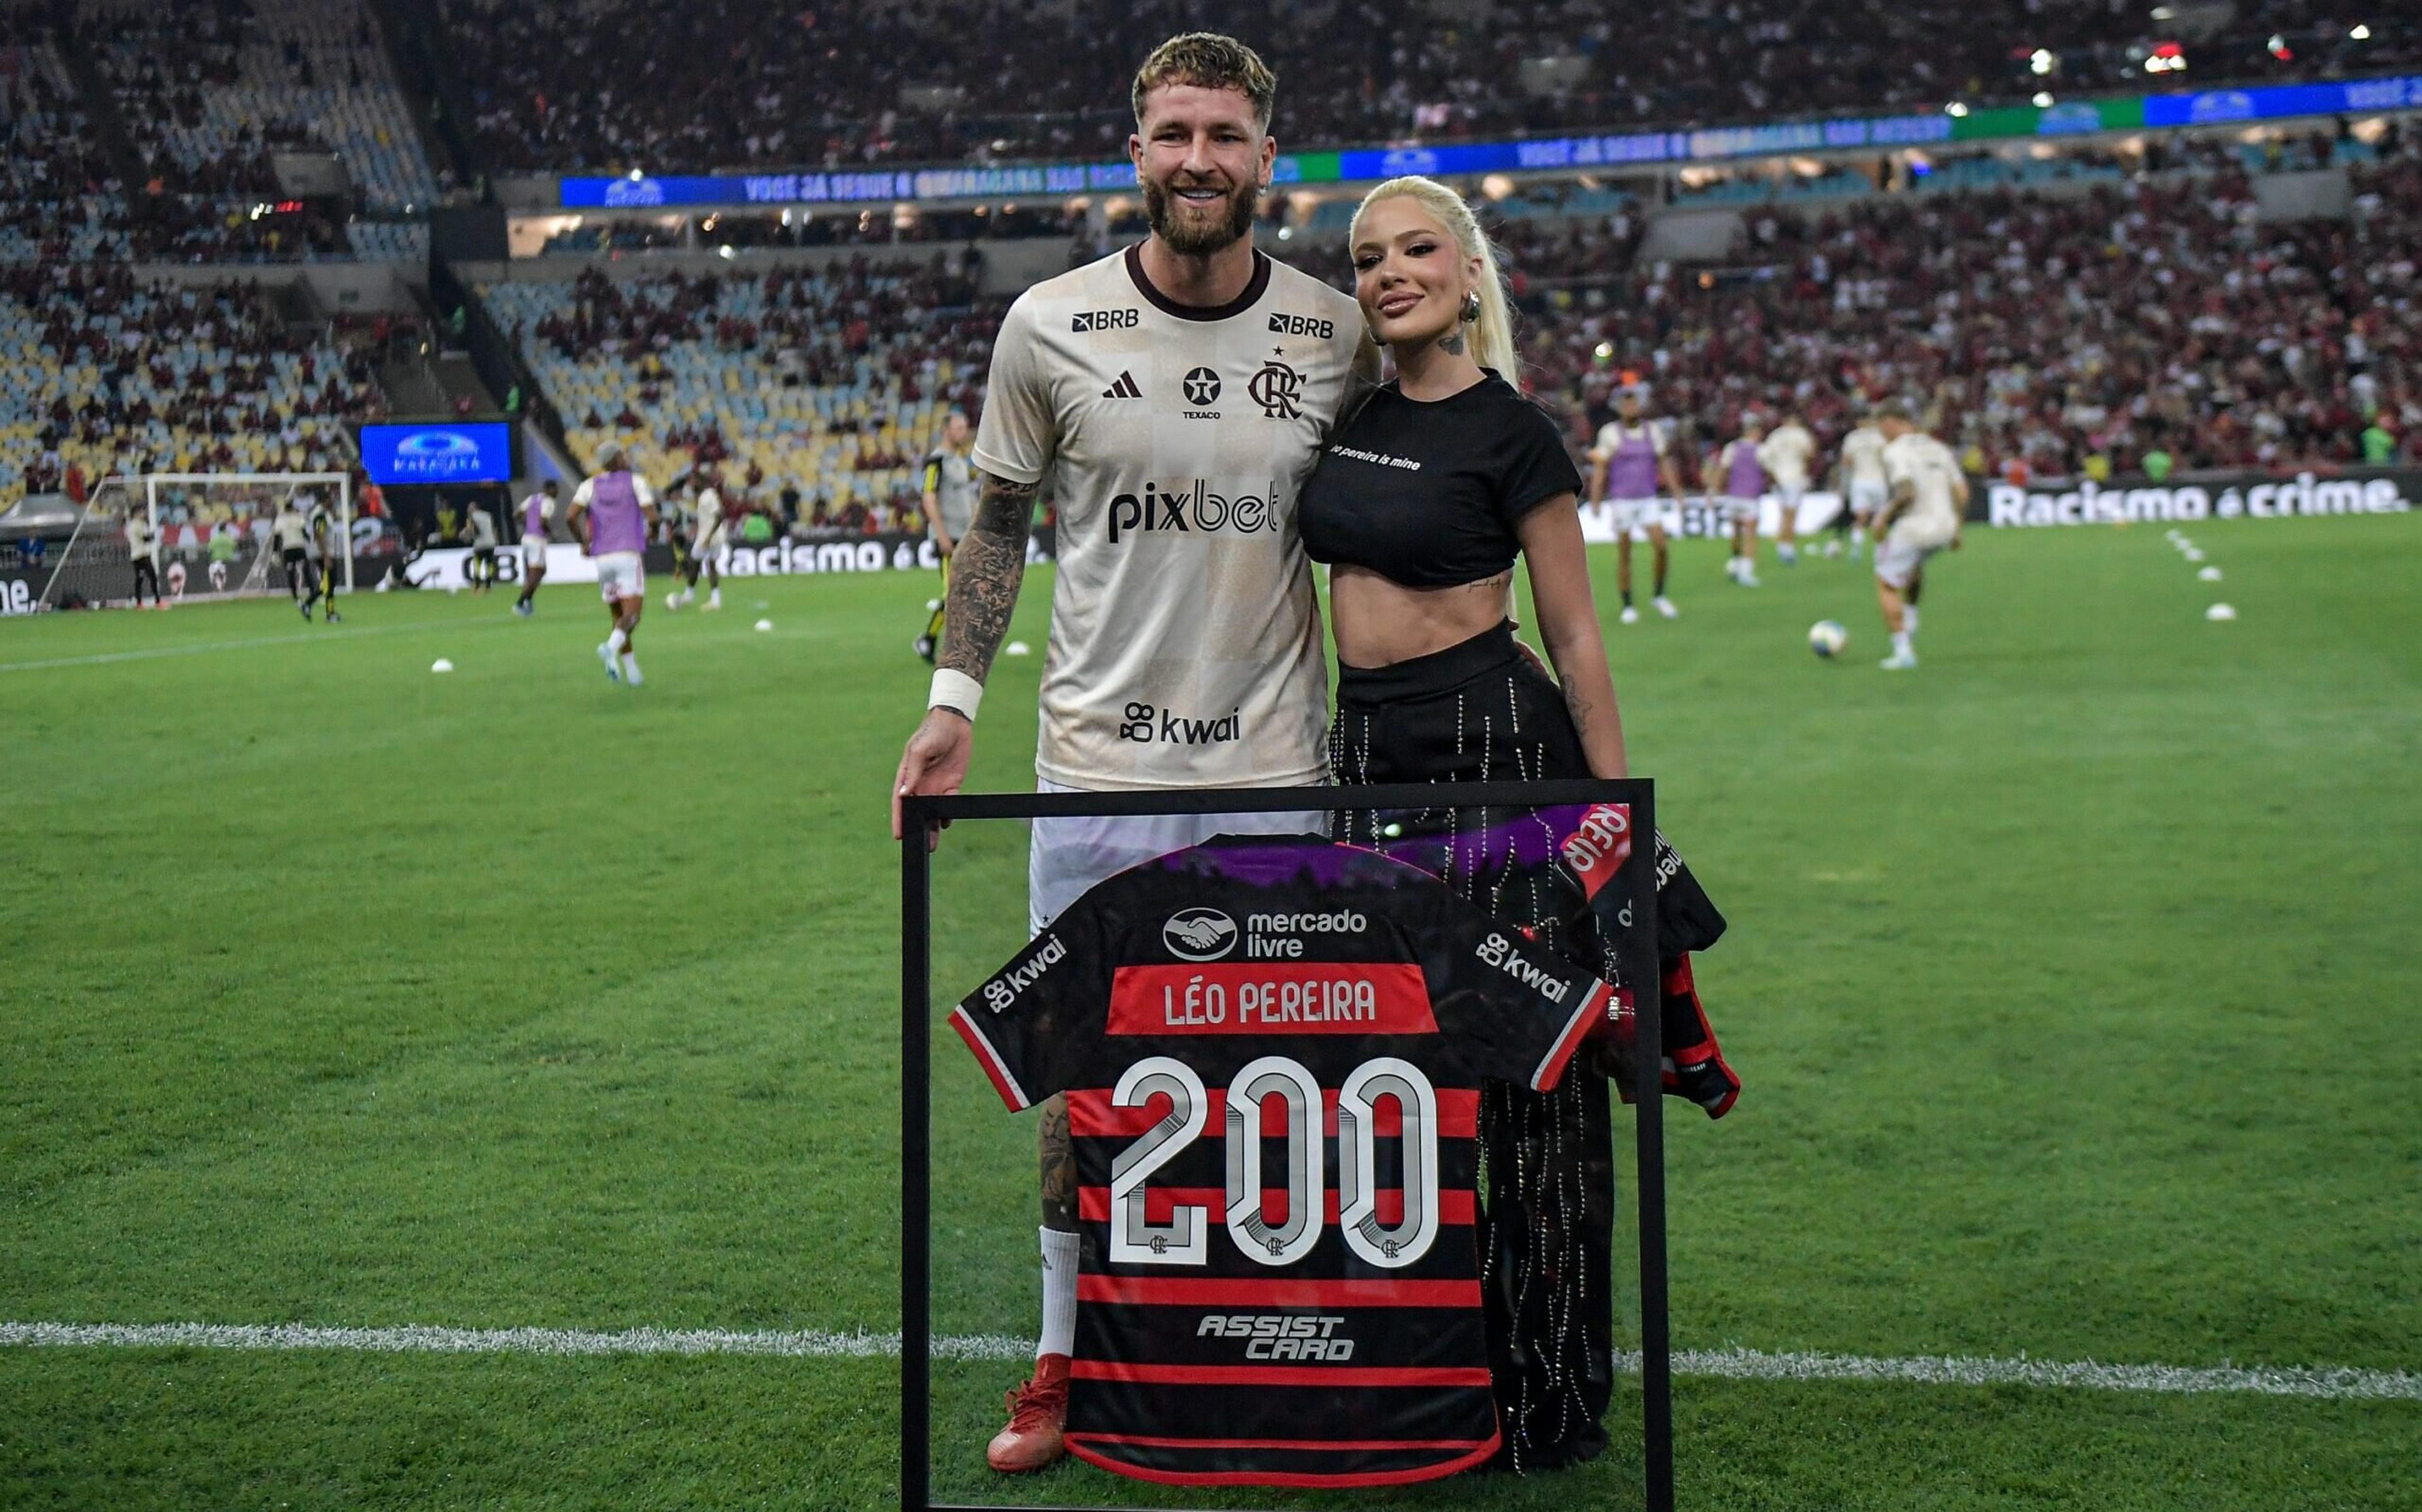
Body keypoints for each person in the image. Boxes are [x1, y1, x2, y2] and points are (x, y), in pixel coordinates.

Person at [889, 31, 1371, 1476]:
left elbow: (1404, 507)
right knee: (1082, 1074)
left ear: (1264, 156)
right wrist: (953, 695)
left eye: (1224, 136)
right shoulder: (1046, 325)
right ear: (1136, 145)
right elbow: (997, 524)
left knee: (1282, 1061)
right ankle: (1062, 1351)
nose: (1198, 162)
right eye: (1174, 134)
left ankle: (1269, 1337)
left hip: (1276, 770)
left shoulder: (1332, 335)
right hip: (1096, 770)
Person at [1299, 173, 1643, 1471]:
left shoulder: (1517, 433)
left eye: (1416, 250)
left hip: (1503, 756)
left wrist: (1614, 832)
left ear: (1467, 271)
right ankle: (1423, 1375)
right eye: (1367, 255)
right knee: (1395, 1080)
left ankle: (1547, 1391)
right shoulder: (1346, 415)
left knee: (1531, 1084)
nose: (1389, 271)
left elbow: (1576, 635)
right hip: (1372, 761)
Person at [1872, 403, 1967, 670]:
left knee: (1886, 582)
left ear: (1891, 422)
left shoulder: (1895, 452)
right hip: (1944, 527)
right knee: (1914, 565)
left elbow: (1907, 492)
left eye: (1882, 427)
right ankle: (1911, 615)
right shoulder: (1938, 448)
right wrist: (1957, 528)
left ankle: (1902, 652)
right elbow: (1962, 492)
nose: (1882, 434)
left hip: (1915, 527)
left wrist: (1883, 517)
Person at [566, 441, 658, 684]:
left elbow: (570, 516)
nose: (626, 458)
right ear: (617, 458)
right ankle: (610, 647)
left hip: (602, 559)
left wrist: (583, 543)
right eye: (623, 455)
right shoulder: (635, 482)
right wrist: (653, 532)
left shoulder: (589, 485)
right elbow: (653, 517)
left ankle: (631, 671)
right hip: (628, 554)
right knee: (633, 614)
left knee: (618, 615)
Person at [1586, 387, 1680, 622]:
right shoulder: (1610, 433)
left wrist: (1676, 490)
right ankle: (1628, 603)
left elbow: (1664, 463)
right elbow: (1601, 468)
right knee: (1625, 553)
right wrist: (1596, 498)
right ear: (1621, 408)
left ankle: (1659, 594)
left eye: (1634, 404)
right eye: (1627, 405)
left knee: (1661, 546)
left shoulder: (1653, 431)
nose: (1632, 408)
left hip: (1648, 498)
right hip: (1622, 500)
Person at [915, 409, 978, 662]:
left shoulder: (960, 462)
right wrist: (941, 535)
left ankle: (936, 642)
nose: (964, 432)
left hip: (964, 537)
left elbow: (967, 499)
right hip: (948, 538)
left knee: (966, 593)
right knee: (953, 593)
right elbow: (928, 497)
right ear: (947, 430)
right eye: (960, 428)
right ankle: (930, 641)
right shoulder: (936, 462)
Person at [1709, 416, 1768, 586]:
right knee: (1751, 535)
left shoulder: (1732, 448)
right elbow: (1768, 470)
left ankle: (1735, 562)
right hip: (1750, 498)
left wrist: (1713, 491)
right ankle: (1746, 573)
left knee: (1736, 534)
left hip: (1733, 497)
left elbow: (1723, 470)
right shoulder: (1761, 450)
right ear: (1753, 431)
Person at [1757, 410, 1815, 566]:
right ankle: (1788, 549)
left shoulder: (1774, 436)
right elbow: (1810, 453)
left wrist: (1772, 476)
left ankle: (1782, 547)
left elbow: (1763, 457)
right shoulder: (1800, 434)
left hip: (1778, 479)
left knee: (1783, 513)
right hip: (1794, 477)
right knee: (1791, 514)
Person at [1835, 411, 1888, 558]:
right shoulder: (1879, 437)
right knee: (1880, 517)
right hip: (1878, 481)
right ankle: (1880, 549)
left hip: (1860, 481)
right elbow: (1886, 457)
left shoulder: (1852, 438)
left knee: (1860, 517)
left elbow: (1846, 462)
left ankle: (1856, 548)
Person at [669, 478, 726, 610]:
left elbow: (719, 517)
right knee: (705, 565)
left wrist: (708, 537)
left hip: (710, 538)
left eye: (693, 484)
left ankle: (692, 596)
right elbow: (707, 517)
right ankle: (712, 599)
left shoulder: (708, 497)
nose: (691, 487)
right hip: (709, 536)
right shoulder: (705, 496)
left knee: (697, 564)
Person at [514, 479, 557, 618]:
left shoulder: (533, 498)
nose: (557, 492)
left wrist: (527, 525)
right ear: (548, 489)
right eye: (555, 489)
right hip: (537, 540)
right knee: (535, 573)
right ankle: (520, 604)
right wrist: (551, 534)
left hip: (527, 538)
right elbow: (544, 521)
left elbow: (517, 515)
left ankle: (528, 599)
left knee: (542, 571)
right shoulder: (549, 502)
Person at [298, 496, 342, 623]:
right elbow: (320, 535)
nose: (333, 502)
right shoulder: (320, 515)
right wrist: (326, 556)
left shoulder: (319, 513)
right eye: (330, 500)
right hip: (323, 553)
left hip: (321, 553)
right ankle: (330, 614)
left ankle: (307, 605)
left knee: (327, 583)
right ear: (325, 501)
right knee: (330, 583)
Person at [272, 494, 311, 605]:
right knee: (305, 569)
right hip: (298, 547)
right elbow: (304, 532)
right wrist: (310, 539)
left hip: (289, 549)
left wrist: (275, 552)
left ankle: (296, 597)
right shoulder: (298, 516)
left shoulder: (281, 519)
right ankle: (311, 592)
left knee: (291, 572)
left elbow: (277, 537)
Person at [458, 500, 499, 593]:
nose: (468, 509)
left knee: (477, 566)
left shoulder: (471, 518)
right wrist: (496, 540)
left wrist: (463, 534)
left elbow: (471, 532)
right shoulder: (487, 515)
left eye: (469, 508)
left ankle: (477, 588)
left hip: (480, 545)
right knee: (489, 565)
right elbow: (493, 529)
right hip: (491, 543)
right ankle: (488, 587)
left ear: (473, 508)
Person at [126, 509, 161, 608]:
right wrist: (153, 536)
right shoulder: (138, 525)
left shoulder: (131, 525)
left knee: (140, 579)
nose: (143, 513)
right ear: (136, 514)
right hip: (142, 555)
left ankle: (139, 603)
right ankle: (158, 601)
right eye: (141, 512)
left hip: (135, 556)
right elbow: (145, 539)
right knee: (153, 577)